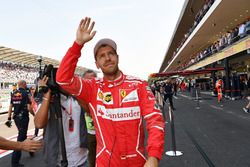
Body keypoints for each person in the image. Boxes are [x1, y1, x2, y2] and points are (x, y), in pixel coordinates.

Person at [56, 17, 165, 167]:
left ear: (117, 57)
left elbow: (155, 120)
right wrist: (77, 45)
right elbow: (62, 79)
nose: (107, 58)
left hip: (137, 162)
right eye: (101, 56)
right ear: (97, 64)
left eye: (111, 53)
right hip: (106, 162)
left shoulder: (138, 85)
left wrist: (153, 156)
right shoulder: (92, 87)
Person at [34, 76, 88, 167]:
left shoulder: (76, 98)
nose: (68, 83)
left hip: (81, 159)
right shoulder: (49, 102)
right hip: (57, 161)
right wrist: (46, 95)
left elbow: (89, 110)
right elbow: (39, 124)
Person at [7, 80, 35, 167]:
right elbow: (29, 107)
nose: (26, 85)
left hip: (16, 118)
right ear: (23, 84)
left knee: (23, 135)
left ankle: (31, 149)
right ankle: (14, 162)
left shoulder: (14, 93)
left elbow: (11, 106)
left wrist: (9, 118)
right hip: (23, 118)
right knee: (21, 138)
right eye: (26, 83)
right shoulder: (26, 93)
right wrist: (34, 115)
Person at [82, 70, 97, 167]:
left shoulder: (103, 93)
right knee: (92, 158)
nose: (90, 82)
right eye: (87, 80)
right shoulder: (79, 95)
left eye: (93, 80)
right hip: (89, 133)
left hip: (104, 134)